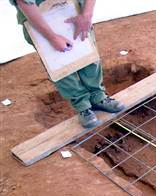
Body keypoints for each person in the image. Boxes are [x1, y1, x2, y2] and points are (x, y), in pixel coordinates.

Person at [10, 0, 125, 128]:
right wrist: (52, 37)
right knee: (60, 65)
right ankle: (82, 106)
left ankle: (98, 96)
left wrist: (87, 14)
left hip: (74, 9)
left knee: (88, 55)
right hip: (40, 20)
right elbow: (25, 3)